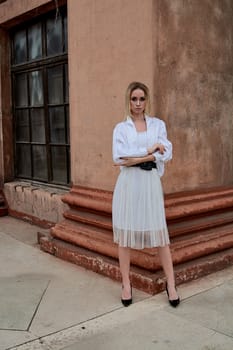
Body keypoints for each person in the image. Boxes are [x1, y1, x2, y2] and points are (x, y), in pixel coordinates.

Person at [112, 81, 180, 308]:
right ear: (128, 101)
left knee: (160, 235)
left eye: (142, 99)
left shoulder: (158, 125)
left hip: (150, 184)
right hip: (129, 184)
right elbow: (119, 157)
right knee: (125, 236)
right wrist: (150, 152)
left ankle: (171, 284)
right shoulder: (121, 129)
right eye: (134, 99)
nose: (138, 104)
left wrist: (143, 158)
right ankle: (126, 284)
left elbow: (167, 152)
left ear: (147, 100)